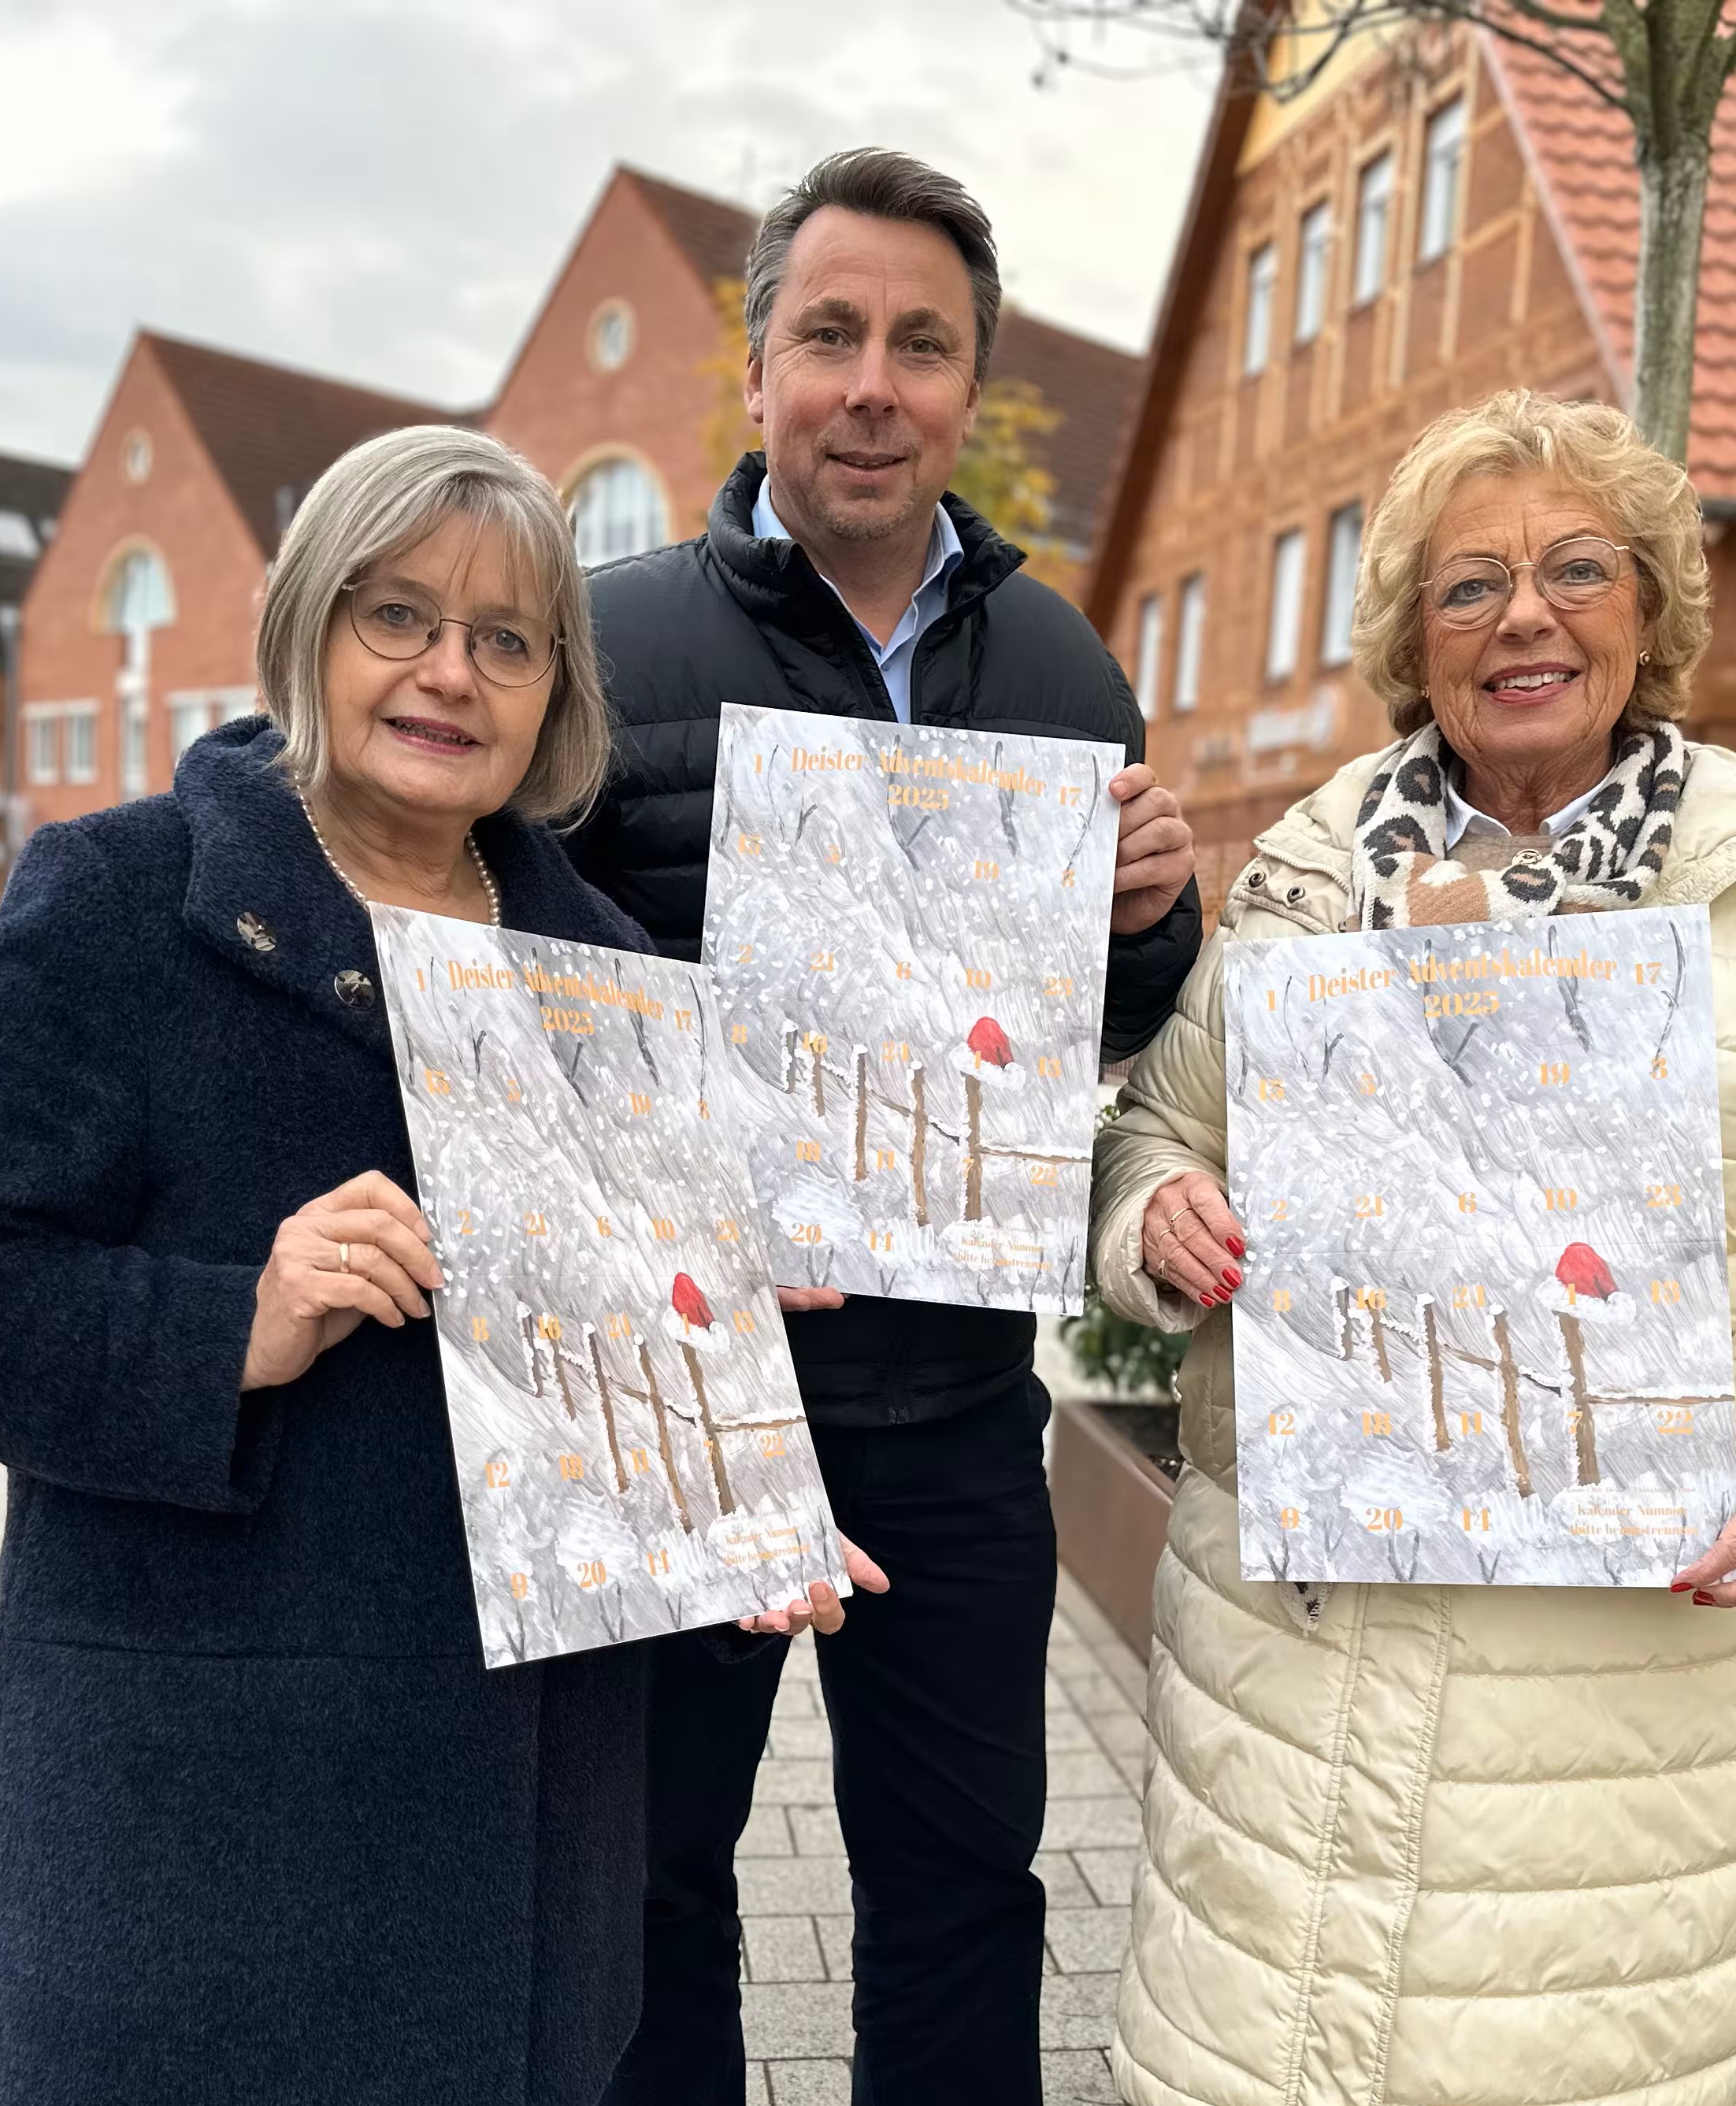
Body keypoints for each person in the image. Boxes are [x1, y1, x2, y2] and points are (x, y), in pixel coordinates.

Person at [0, 427, 870, 2106]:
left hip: (526, 1851)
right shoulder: (126, 900)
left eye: (507, 638)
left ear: (554, 691)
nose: (450, 671)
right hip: (210, 1848)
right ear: (310, 626)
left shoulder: (605, 975)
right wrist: (231, 1317)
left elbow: (615, 1396)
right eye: (399, 615)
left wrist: (725, 1505)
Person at [1085, 389, 1736, 2106]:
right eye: (1468, 586)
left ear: (1651, 611)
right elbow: (1159, 1131)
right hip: (1293, 1659)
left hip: (1607, 1689)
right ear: (1419, 639)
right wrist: (1153, 1220)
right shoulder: (1305, 884)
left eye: (1577, 569)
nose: (1527, 617)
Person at [573, 146, 1203, 2105]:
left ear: (966, 392)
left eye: (921, 346)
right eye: (830, 333)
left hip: (948, 1418)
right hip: (687, 1410)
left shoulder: (1060, 665)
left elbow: (1088, 1043)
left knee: (959, 1884)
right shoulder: (606, 646)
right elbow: (521, 1014)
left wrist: (1155, 919)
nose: (873, 382)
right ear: (756, 376)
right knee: (649, 1889)